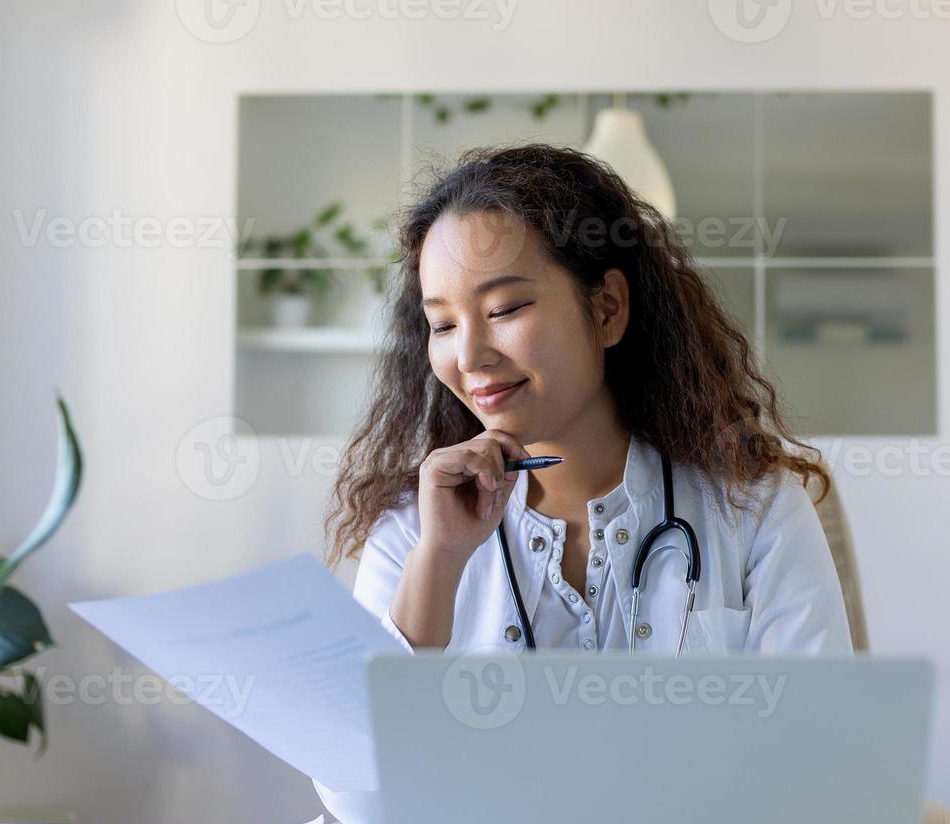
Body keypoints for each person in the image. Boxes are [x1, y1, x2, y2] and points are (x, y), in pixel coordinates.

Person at [325, 143, 852, 657]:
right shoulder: (413, 531)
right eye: (441, 324)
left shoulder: (755, 510)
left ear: (606, 309)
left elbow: (818, 734)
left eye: (504, 309)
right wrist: (440, 561)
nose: (468, 356)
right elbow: (366, 740)